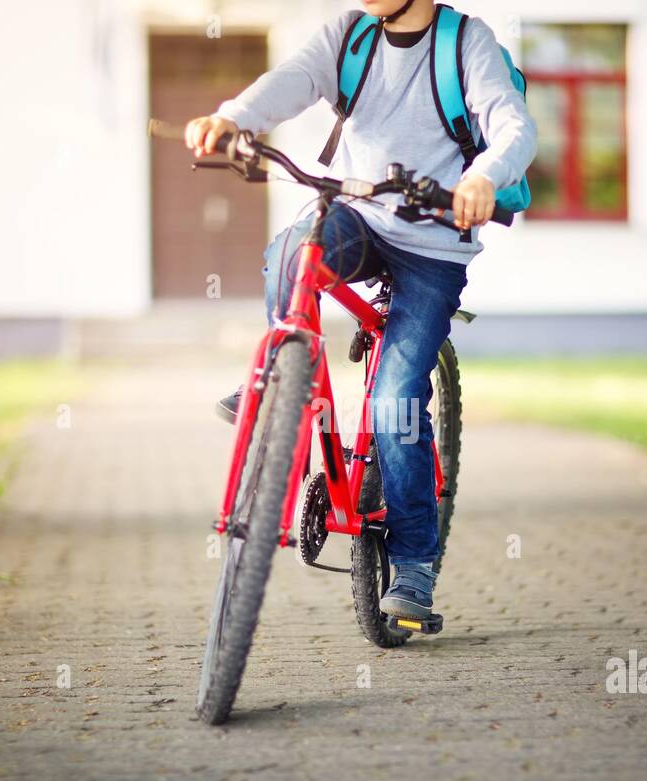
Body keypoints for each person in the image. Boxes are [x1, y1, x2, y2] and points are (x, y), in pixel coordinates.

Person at [184, 0, 536, 625]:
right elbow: (292, 79)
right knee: (295, 247)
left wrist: (484, 176)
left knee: (395, 400)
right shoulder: (350, 34)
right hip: (362, 218)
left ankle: (414, 567)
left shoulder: (465, 45)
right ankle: (282, 381)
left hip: (432, 244)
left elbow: (512, 124)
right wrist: (233, 118)